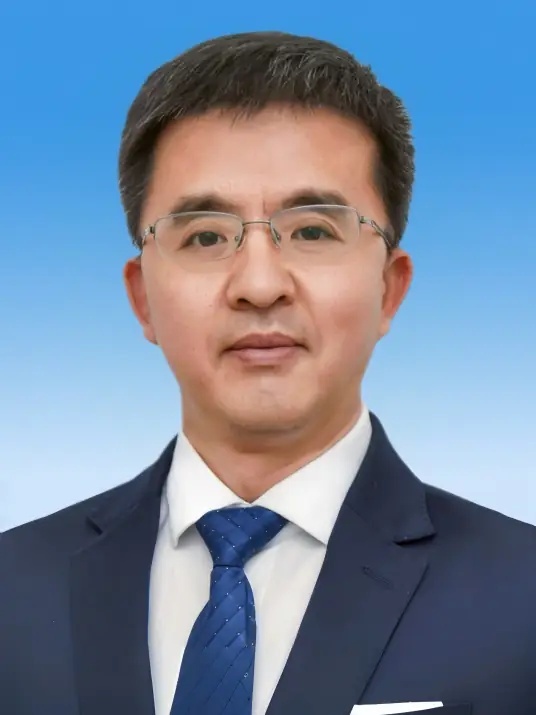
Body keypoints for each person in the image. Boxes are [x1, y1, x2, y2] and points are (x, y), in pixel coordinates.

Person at [1, 30, 535, 715]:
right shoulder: (13, 591)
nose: (259, 285)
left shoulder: (521, 598)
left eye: (313, 231)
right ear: (142, 299)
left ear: (389, 289)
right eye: (205, 236)